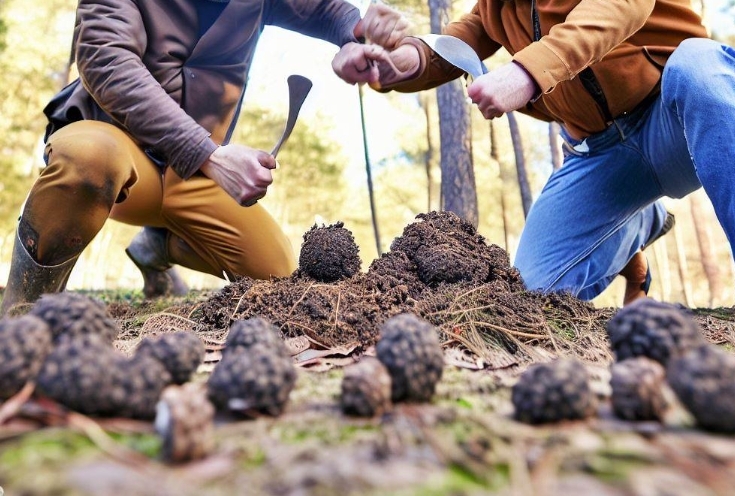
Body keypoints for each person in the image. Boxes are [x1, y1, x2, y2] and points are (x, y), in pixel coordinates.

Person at [0, 0, 410, 315]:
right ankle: (24, 312)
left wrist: (354, 34)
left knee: (277, 275)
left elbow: (321, 8)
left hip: (194, 174)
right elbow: (106, 59)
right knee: (88, 158)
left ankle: (158, 246)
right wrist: (209, 155)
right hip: (119, 154)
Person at [332, 0, 734, 305]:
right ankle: (638, 222)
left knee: (699, 64)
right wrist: (398, 62)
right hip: (600, 155)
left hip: (679, 116)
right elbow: (455, 43)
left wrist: (528, 71)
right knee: (532, 292)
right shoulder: (495, 8)